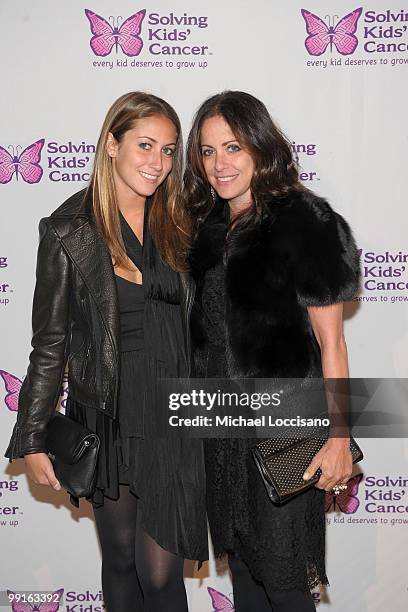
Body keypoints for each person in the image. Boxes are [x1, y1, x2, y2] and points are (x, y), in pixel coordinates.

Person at [5, 91, 208, 612]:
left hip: (173, 414)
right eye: (145, 145)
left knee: (159, 575)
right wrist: (31, 437)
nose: (158, 163)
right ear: (111, 144)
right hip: (107, 414)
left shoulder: (182, 220)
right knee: (119, 561)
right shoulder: (68, 230)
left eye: (168, 151)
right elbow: (50, 343)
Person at [184, 91, 361, 612]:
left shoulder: (304, 221)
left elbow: (333, 343)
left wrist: (340, 436)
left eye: (233, 147)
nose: (220, 164)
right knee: (244, 576)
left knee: (285, 582)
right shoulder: (208, 230)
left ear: (260, 147)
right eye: (209, 151)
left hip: (287, 432)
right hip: (224, 433)